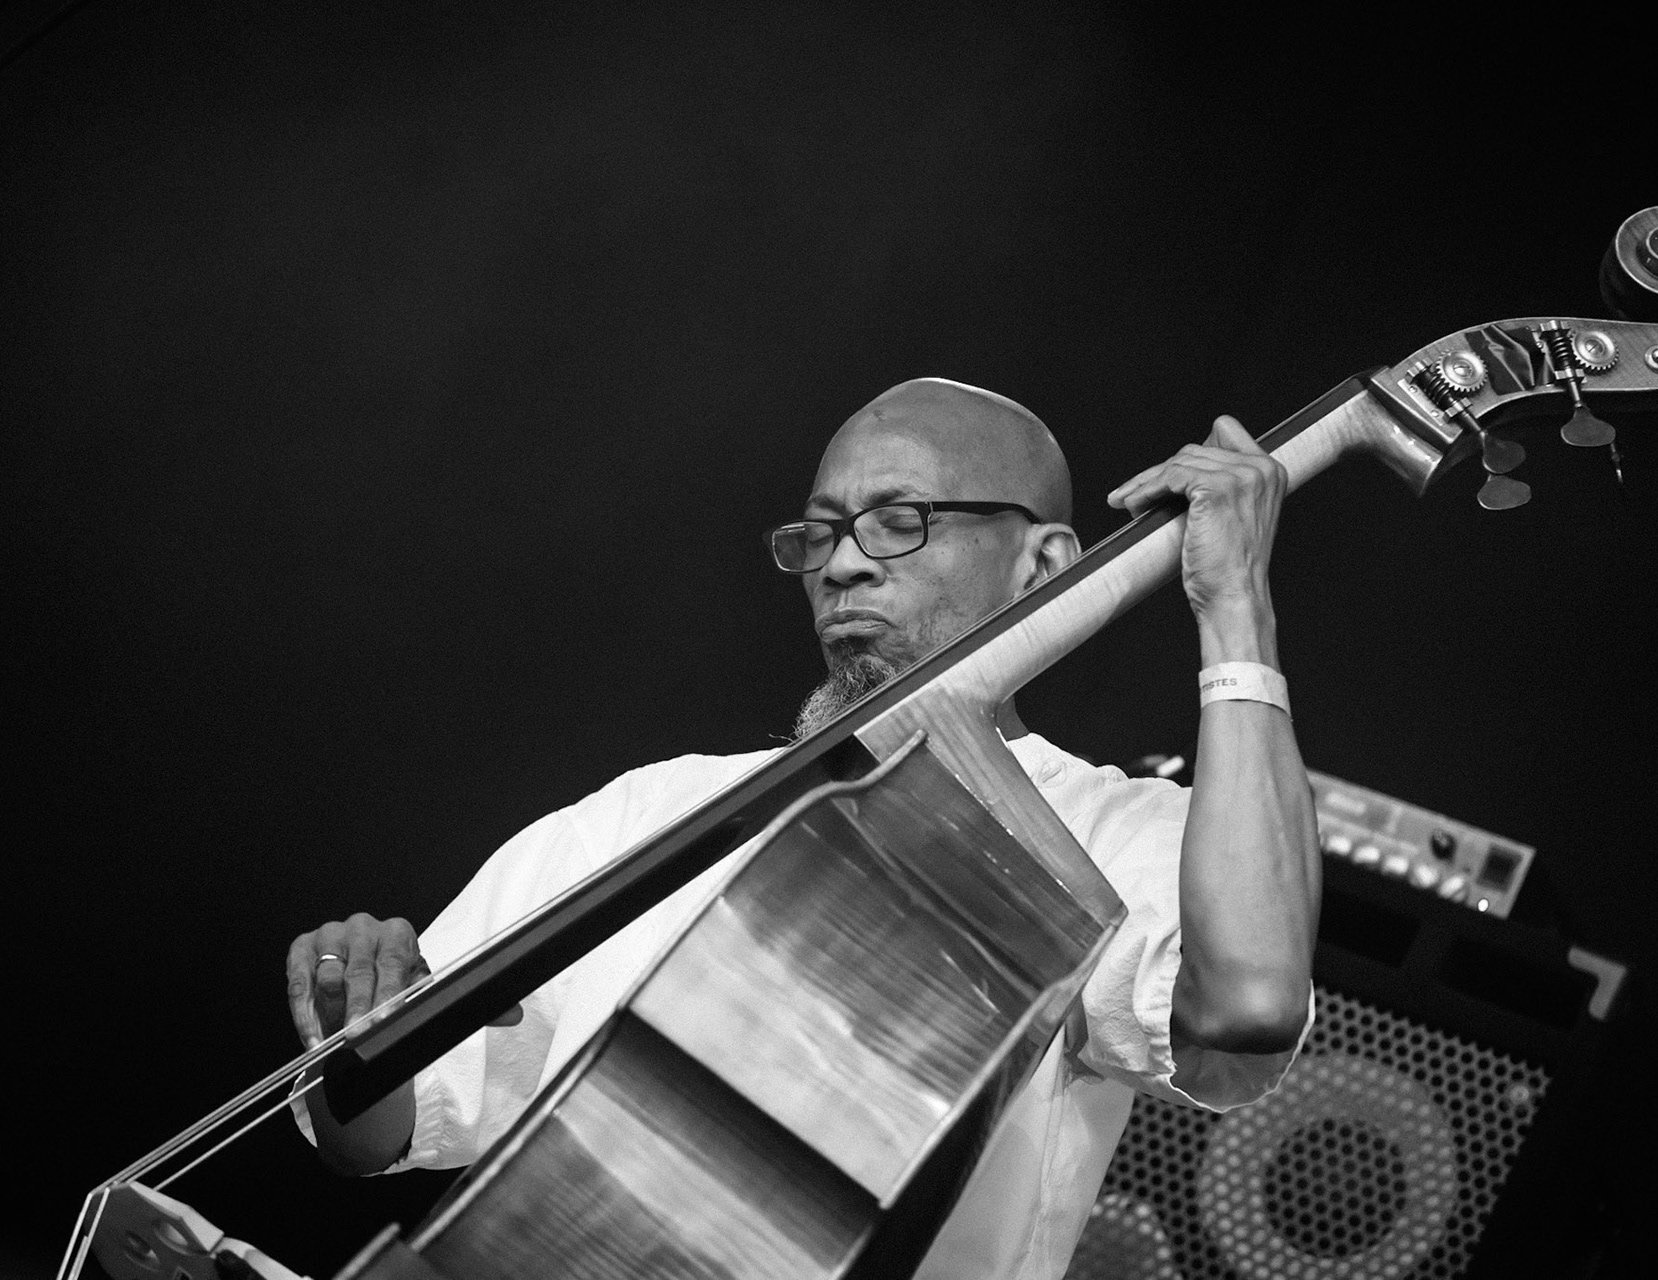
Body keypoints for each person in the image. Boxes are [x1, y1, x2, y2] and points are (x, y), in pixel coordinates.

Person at [285, 377, 1321, 1279]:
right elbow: (374, 1129)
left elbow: (1248, 1010)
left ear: (1042, 564)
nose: (842, 566)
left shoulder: (1115, 831)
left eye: (900, 519)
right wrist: (354, 1030)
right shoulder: (655, 810)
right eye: (822, 532)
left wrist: (1236, 602)